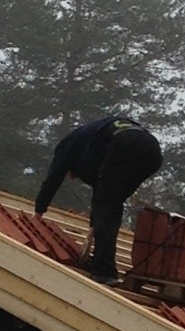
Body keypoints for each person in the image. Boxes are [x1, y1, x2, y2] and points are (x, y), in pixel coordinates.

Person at [35, 115, 162, 285]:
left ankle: (104, 272)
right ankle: (104, 261)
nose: (72, 178)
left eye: (71, 174)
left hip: (124, 143)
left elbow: (52, 179)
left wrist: (39, 211)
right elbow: (104, 188)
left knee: (107, 204)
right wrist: (95, 224)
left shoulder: (66, 147)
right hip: (152, 150)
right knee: (112, 202)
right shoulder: (94, 146)